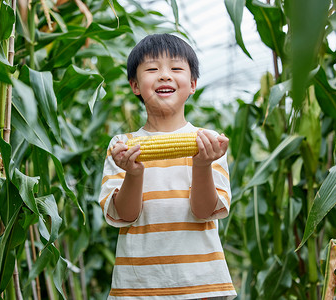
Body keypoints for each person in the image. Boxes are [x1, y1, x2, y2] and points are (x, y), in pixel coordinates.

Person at [98, 33, 236, 299]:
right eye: (152, 69)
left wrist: (203, 165)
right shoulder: (122, 146)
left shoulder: (208, 143)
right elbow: (124, 215)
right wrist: (134, 174)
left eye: (175, 68)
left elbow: (205, 210)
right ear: (135, 85)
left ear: (193, 84)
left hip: (201, 286)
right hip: (139, 289)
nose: (164, 75)